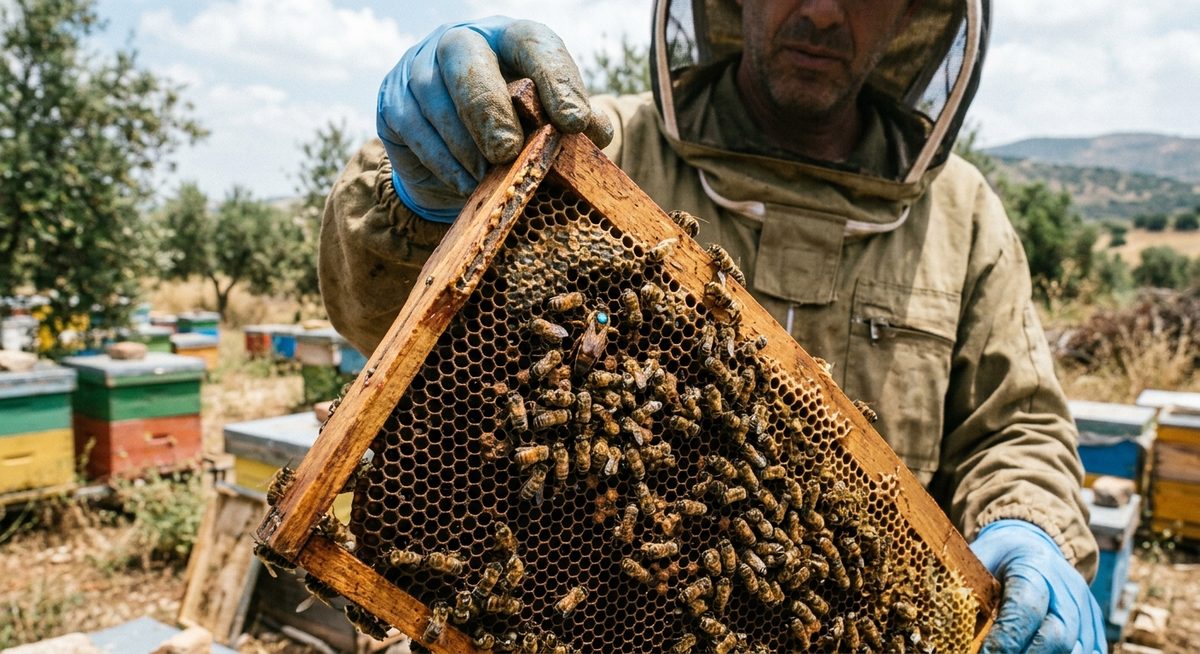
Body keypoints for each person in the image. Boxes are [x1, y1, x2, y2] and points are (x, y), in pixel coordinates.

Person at [320, 1, 1105, 651]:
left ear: (911, 16)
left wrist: (1028, 530)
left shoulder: (964, 216)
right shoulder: (593, 145)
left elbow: (1017, 429)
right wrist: (421, 199)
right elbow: (383, 312)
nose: (824, 12)